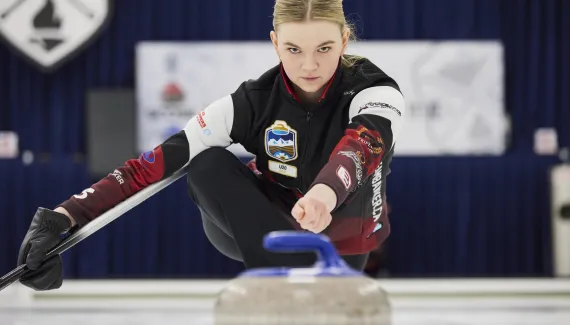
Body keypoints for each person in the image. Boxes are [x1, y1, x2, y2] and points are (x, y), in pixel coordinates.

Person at [16, 0, 406, 291]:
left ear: (343, 40)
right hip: (261, 228)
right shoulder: (251, 102)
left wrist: (323, 195)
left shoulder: (375, 90)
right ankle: (280, 282)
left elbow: (360, 146)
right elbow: (150, 166)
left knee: (364, 166)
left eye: (324, 48)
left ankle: (302, 275)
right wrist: (65, 216)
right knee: (206, 162)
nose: (309, 66)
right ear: (274, 44)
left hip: (343, 235)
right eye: (293, 50)